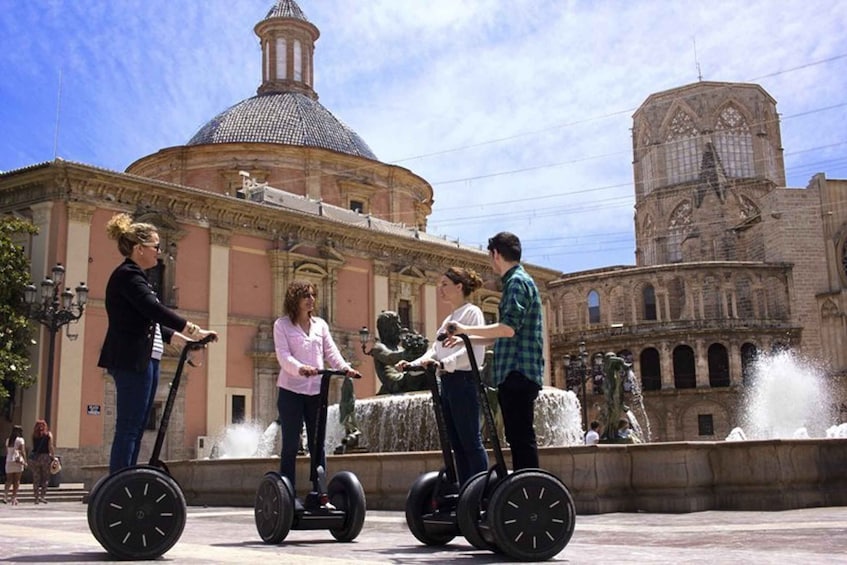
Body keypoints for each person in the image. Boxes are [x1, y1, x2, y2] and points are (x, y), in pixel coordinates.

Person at [99, 213, 217, 474]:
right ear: (139, 248)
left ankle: (126, 477)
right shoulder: (128, 275)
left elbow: (150, 322)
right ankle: (117, 483)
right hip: (131, 359)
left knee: (138, 425)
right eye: (155, 246)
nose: (159, 252)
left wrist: (185, 342)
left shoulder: (137, 277)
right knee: (129, 426)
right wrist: (193, 329)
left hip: (147, 358)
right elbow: (153, 309)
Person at [444, 232, 544, 470]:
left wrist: (466, 329)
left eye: (490, 256)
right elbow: (500, 336)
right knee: (518, 436)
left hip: (517, 371)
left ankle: (528, 489)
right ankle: (526, 486)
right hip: (518, 370)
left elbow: (507, 329)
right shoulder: (518, 281)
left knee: (521, 437)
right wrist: (465, 339)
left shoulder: (517, 282)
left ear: (495, 254)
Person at [396, 267, 489, 485]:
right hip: (446, 383)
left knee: (470, 441)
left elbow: (475, 352)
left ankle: (480, 489)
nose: (441, 289)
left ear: (459, 287)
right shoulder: (448, 319)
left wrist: (445, 363)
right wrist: (413, 364)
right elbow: (434, 350)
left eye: (445, 284)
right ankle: (466, 489)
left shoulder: (472, 313)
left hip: (464, 382)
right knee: (456, 443)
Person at [273, 280, 360, 508]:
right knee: (291, 444)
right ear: (295, 299)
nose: (311, 300)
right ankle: (287, 494)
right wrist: (300, 368)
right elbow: (283, 356)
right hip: (291, 391)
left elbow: (331, 351)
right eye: (306, 296)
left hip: (316, 392)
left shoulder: (320, 325)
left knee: (317, 444)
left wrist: (345, 369)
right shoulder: (282, 325)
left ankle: (320, 493)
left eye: (312, 295)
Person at [28, 419, 54, 504]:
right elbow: (50, 447)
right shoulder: (48, 435)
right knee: (45, 477)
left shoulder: (33, 435)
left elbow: (32, 447)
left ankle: (36, 498)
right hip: (45, 457)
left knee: (36, 478)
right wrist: (53, 456)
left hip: (35, 458)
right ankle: (42, 496)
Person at [3, 425, 26, 505]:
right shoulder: (20, 440)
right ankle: (14, 498)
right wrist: (25, 461)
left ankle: (5, 496)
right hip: (17, 461)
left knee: (8, 480)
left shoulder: (8, 440)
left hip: (9, 461)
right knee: (16, 481)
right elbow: (23, 451)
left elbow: (7, 451)